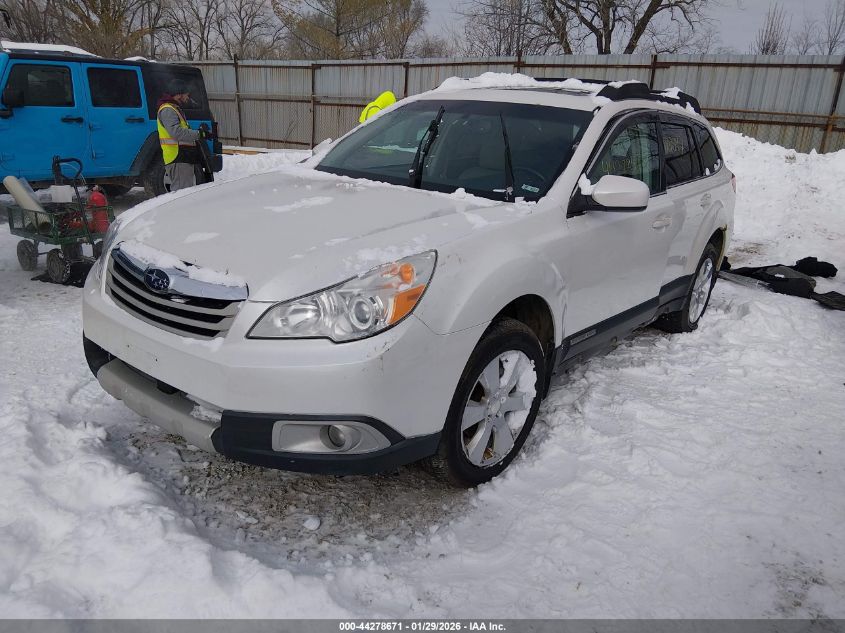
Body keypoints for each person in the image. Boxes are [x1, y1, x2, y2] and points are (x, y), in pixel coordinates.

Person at [157, 81, 209, 192]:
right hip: (177, 156)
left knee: (185, 191)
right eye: (187, 95)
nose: (188, 98)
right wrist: (198, 134)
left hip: (182, 156)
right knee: (181, 193)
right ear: (179, 94)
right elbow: (177, 133)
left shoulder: (174, 109)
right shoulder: (168, 110)